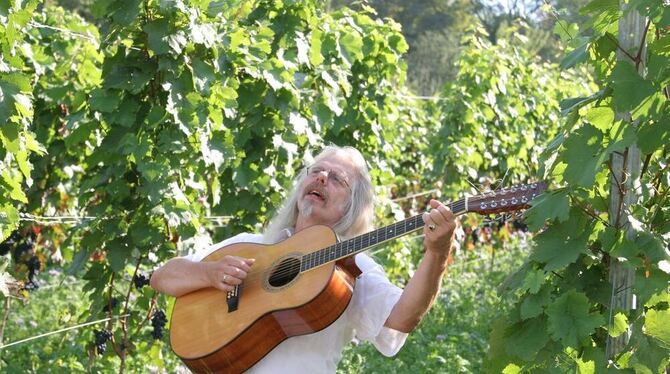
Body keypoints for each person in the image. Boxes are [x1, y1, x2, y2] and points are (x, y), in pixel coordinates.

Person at [150, 145, 458, 373]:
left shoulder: (351, 268)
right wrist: (209, 273)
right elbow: (163, 276)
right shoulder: (249, 247)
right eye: (316, 171)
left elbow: (402, 317)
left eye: (337, 178)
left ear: (352, 207)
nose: (322, 177)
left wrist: (437, 253)